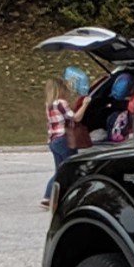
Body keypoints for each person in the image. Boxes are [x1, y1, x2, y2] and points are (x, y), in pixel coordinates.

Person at [42, 76, 87, 207]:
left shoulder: (49, 104)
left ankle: (49, 197)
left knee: (60, 169)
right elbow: (76, 118)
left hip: (53, 141)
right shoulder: (61, 103)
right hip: (64, 139)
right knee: (72, 168)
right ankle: (71, 197)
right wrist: (85, 104)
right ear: (60, 89)